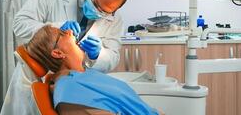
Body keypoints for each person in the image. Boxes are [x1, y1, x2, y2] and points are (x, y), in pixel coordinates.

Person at [22, 25, 159, 115]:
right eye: (62, 33)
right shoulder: (69, 90)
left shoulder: (85, 73)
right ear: (58, 53)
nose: (70, 31)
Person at [13, 0, 129, 73]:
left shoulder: (114, 19)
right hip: (41, 74)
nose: (97, 12)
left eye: (104, 12)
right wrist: (56, 27)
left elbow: (112, 59)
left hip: (77, 81)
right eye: (96, 4)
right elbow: (19, 24)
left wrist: (97, 55)